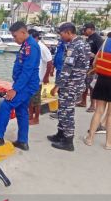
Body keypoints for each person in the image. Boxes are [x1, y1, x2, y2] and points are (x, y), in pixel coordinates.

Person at [0, 21, 41, 151]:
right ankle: (23, 141)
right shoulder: (25, 44)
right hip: (22, 84)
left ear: (23, 32)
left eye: (15, 36)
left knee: (6, 105)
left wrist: (15, 90)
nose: (14, 38)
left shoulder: (31, 47)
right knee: (22, 111)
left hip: (26, 86)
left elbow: (27, 71)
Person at [47, 22, 91, 151]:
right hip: (76, 83)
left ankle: (68, 141)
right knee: (63, 110)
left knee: (67, 112)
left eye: (61, 34)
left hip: (71, 84)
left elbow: (67, 68)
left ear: (68, 32)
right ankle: (60, 134)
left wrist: (57, 86)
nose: (61, 37)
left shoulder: (75, 46)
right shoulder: (84, 44)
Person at [83, 32, 111, 149]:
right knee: (110, 114)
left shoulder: (105, 43)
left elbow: (95, 62)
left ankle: (90, 139)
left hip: (103, 79)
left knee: (99, 110)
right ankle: (109, 143)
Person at [77, 23, 104, 112]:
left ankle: (93, 105)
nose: (84, 31)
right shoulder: (89, 38)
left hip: (93, 66)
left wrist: (94, 56)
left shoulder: (97, 39)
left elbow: (102, 53)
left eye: (85, 29)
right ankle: (83, 102)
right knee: (85, 84)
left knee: (91, 86)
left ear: (91, 29)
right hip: (86, 65)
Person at [28, 29, 53, 125]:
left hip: (38, 79)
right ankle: (30, 115)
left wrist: (46, 76)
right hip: (31, 77)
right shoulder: (31, 46)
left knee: (36, 100)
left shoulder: (42, 47)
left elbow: (49, 62)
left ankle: (36, 118)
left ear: (36, 38)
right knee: (30, 98)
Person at [49, 38, 68, 119]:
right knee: (59, 91)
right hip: (58, 68)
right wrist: (53, 67)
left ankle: (62, 112)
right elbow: (57, 53)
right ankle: (60, 110)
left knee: (62, 91)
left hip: (64, 70)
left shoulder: (69, 42)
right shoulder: (61, 41)